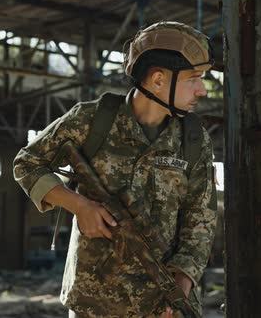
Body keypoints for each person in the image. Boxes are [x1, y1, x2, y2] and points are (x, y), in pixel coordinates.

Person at [13, 21, 217, 317]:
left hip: (160, 305)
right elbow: (27, 163)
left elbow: (201, 220)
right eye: (193, 78)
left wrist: (180, 286)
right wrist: (79, 206)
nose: (201, 89)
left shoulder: (194, 140)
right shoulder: (92, 121)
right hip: (94, 301)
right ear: (158, 79)